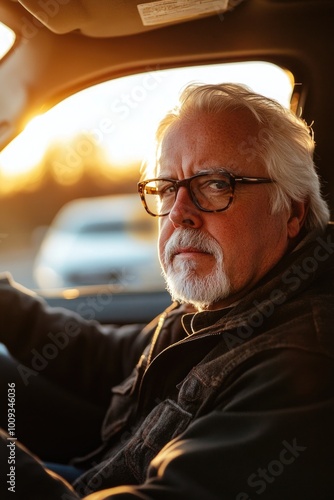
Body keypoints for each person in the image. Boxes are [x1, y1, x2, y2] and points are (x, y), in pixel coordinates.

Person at [1, 82, 334, 499]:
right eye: (167, 188)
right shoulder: (225, 301)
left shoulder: (304, 365)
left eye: (214, 184)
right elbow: (117, 359)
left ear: (292, 211)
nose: (179, 214)